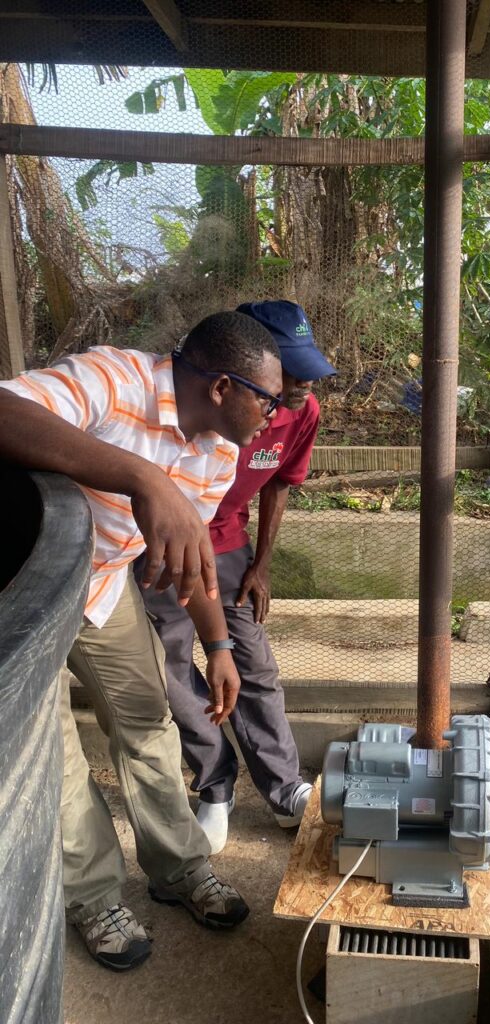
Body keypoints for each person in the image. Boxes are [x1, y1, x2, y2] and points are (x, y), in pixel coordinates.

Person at [0, 311, 284, 972]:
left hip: (99, 588)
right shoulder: (116, 378)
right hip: (21, 593)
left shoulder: (218, 452)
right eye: (267, 398)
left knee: (150, 725)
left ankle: (179, 867)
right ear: (222, 387)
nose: (277, 412)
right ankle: (94, 896)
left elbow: (195, 566)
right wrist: (145, 478)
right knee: (58, 760)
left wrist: (218, 648)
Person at [138, 301, 336, 853]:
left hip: (228, 547)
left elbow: (279, 485)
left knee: (252, 663)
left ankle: (283, 787)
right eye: (288, 371)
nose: (299, 386)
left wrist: (261, 564)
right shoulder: (211, 408)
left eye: (305, 370)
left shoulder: (301, 410)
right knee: (172, 669)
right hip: (163, 549)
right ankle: (215, 785)